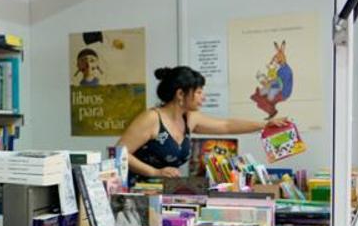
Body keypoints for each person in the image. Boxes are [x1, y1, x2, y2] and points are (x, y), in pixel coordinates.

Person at [117, 66, 290, 180]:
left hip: (163, 193)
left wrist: (265, 125)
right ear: (180, 94)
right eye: (199, 92)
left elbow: (226, 126)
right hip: (135, 194)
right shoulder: (152, 118)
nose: (203, 97)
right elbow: (119, 153)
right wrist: (154, 172)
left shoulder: (190, 118)